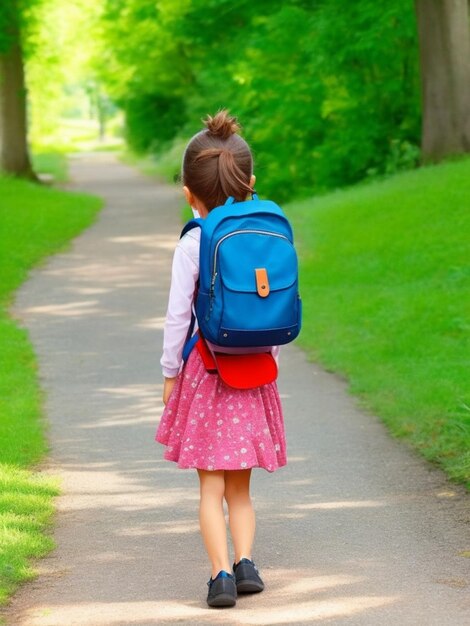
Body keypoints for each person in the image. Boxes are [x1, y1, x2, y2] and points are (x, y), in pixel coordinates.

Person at [156, 110, 287, 608]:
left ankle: (219, 577)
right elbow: (274, 306)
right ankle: (247, 562)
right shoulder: (263, 236)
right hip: (253, 373)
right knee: (241, 491)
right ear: (250, 183)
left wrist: (170, 374)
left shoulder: (194, 241)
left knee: (209, 489)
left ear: (187, 191)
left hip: (207, 374)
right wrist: (264, 358)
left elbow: (177, 320)